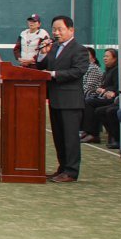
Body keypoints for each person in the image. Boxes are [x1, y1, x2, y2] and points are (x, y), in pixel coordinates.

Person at [36, 14, 90, 183]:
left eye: (60, 29)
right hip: (55, 99)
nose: (56, 33)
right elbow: (41, 66)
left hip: (70, 101)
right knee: (59, 137)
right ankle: (62, 168)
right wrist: (41, 54)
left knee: (70, 138)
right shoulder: (53, 48)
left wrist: (53, 74)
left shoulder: (79, 50)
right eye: (54, 29)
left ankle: (71, 171)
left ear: (71, 30)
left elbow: (78, 71)